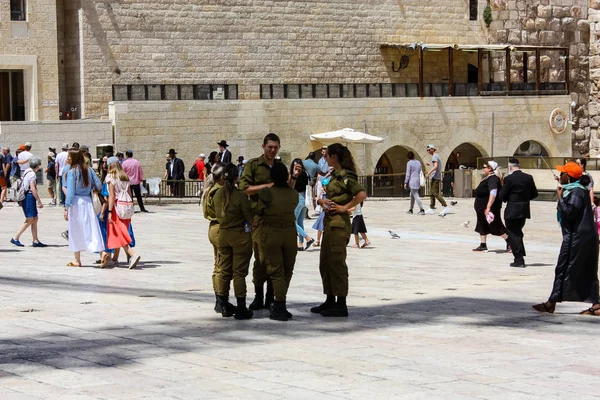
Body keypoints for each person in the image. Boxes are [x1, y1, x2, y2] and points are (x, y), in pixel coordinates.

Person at [533, 161, 600, 316]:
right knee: (584, 269)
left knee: (565, 267)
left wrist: (560, 197)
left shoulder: (576, 191)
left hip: (577, 238)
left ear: (568, 177)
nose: (561, 175)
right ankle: (594, 303)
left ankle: (552, 303)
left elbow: (570, 212)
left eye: (563, 173)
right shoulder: (575, 189)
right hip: (582, 236)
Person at [311, 143, 367, 317]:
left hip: (339, 225)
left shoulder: (346, 176)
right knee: (325, 262)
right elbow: (329, 195)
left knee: (337, 263)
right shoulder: (333, 175)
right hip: (329, 223)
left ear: (334, 156)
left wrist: (345, 208)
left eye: (327, 155)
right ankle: (330, 300)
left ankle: (341, 303)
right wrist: (321, 202)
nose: (325, 158)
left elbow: (361, 195)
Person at [238, 133, 281, 311]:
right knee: (260, 259)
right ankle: (258, 296)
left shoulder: (279, 167)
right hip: (259, 219)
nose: (272, 150)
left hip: (276, 219)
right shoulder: (254, 166)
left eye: (276, 147)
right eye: (270, 147)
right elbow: (244, 188)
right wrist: (265, 187)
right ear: (263, 146)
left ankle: (271, 296)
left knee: (273, 259)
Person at [255, 162, 298, 321]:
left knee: (275, 269)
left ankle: (278, 304)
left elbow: (258, 210)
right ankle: (281, 300)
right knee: (288, 269)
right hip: (289, 232)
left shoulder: (266, 193)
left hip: (271, 232)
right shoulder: (293, 194)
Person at [213, 163, 254, 319]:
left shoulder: (217, 194)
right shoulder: (240, 196)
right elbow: (249, 217)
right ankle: (241, 307)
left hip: (223, 235)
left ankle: (223, 304)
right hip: (239, 236)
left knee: (224, 270)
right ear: (237, 177)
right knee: (239, 273)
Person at [64, 149, 104, 266]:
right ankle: (102, 253)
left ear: (74, 158)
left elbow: (70, 192)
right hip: (87, 201)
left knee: (75, 230)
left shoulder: (72, 172)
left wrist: (66, 207)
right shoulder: (89, 169)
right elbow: (98, 185)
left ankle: (77, 259)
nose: (67, 158)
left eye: (69, 157)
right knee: (92, 228)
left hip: (76, 202)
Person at [499, 158, 538, 268]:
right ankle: (520, 255)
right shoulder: (528, 178)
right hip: (524, 209)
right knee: (517, 232)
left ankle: (519, 259)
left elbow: (502, 195)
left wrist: (509, 199)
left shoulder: (509, 179)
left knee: (513, 233)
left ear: (510, 167)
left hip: (512, 209)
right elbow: (534, 194)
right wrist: (524, 199)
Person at [105, 157, 141, 269]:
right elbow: (130, 193)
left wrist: (110, 211)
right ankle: (115, 259)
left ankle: (132, 254)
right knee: (120, 231)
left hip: (116, 208)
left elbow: (111, 195)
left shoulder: (110, 177)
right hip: (126, 207)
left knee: (119, 232)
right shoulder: (125, 176)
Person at [202, 164, 229, 313]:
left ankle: (220, 299)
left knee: (218, 264)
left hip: (214, 228)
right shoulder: (218, 191)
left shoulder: (209, 189)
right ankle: (221, 300)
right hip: (221, 229)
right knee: (222, 266)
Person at [472, 161, 509, 252]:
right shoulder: (488, 178)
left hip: (489, 208)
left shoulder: (493, 178)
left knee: (495, 225)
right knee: (482, 225)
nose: (483, 169)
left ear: (490, 169)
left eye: (484, 167)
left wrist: (488, 207)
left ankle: (510, 242)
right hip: (481, 208)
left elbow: (493, 192)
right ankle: (483, 245)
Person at [10, 157, 46, 247]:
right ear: (37, 166)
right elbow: (33, 189)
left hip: (26, 197)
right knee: (30, 219)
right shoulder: (32, 174)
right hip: (28, 197)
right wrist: (39, 201)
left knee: (35, 218)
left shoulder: (26, 171)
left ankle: (35, 240)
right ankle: (15, 238)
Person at [290, 158, 315, 251]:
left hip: (299, 198)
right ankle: (300, 244)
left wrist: (293, 175)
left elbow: (293, 187)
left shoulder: (297, 175)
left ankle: (307, 238)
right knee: (300, 222)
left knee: (292, 221)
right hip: (305, 198)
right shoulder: (306, 173)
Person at [425, 144, 450, 216]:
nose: (428, 151)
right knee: (431, 193)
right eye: (427, 150)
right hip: (435, 177)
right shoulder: (436, 156)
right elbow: (436, 165)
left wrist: (428, 173)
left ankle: (445, 206)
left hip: (435, 177)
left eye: (429, 150)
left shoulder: (434, 156)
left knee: (435, 193)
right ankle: (431, 208)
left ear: (433, 149)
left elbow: (436, 166)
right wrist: (430, 164)